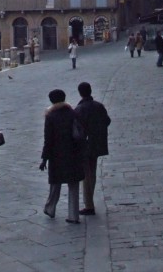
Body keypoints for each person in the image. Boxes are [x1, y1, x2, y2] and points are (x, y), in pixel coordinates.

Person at [40, 88, 84, 223]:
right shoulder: (73, 112)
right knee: (73, 185)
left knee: (55, 183)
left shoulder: (50, 116)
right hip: (74, 153)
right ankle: (73, 215)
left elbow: (48, 140)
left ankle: (50, 208)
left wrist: (44, 159)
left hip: (56, 154)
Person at [74, 81, 110, 216]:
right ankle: (89, 202)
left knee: (86, 174)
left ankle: (89, 205)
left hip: (85, 144)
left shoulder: (79, 109)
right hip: (97, 142)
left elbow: (76, 128)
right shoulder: (99, 106)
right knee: (92, 172)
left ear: (80, 93)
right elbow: (107, 121)